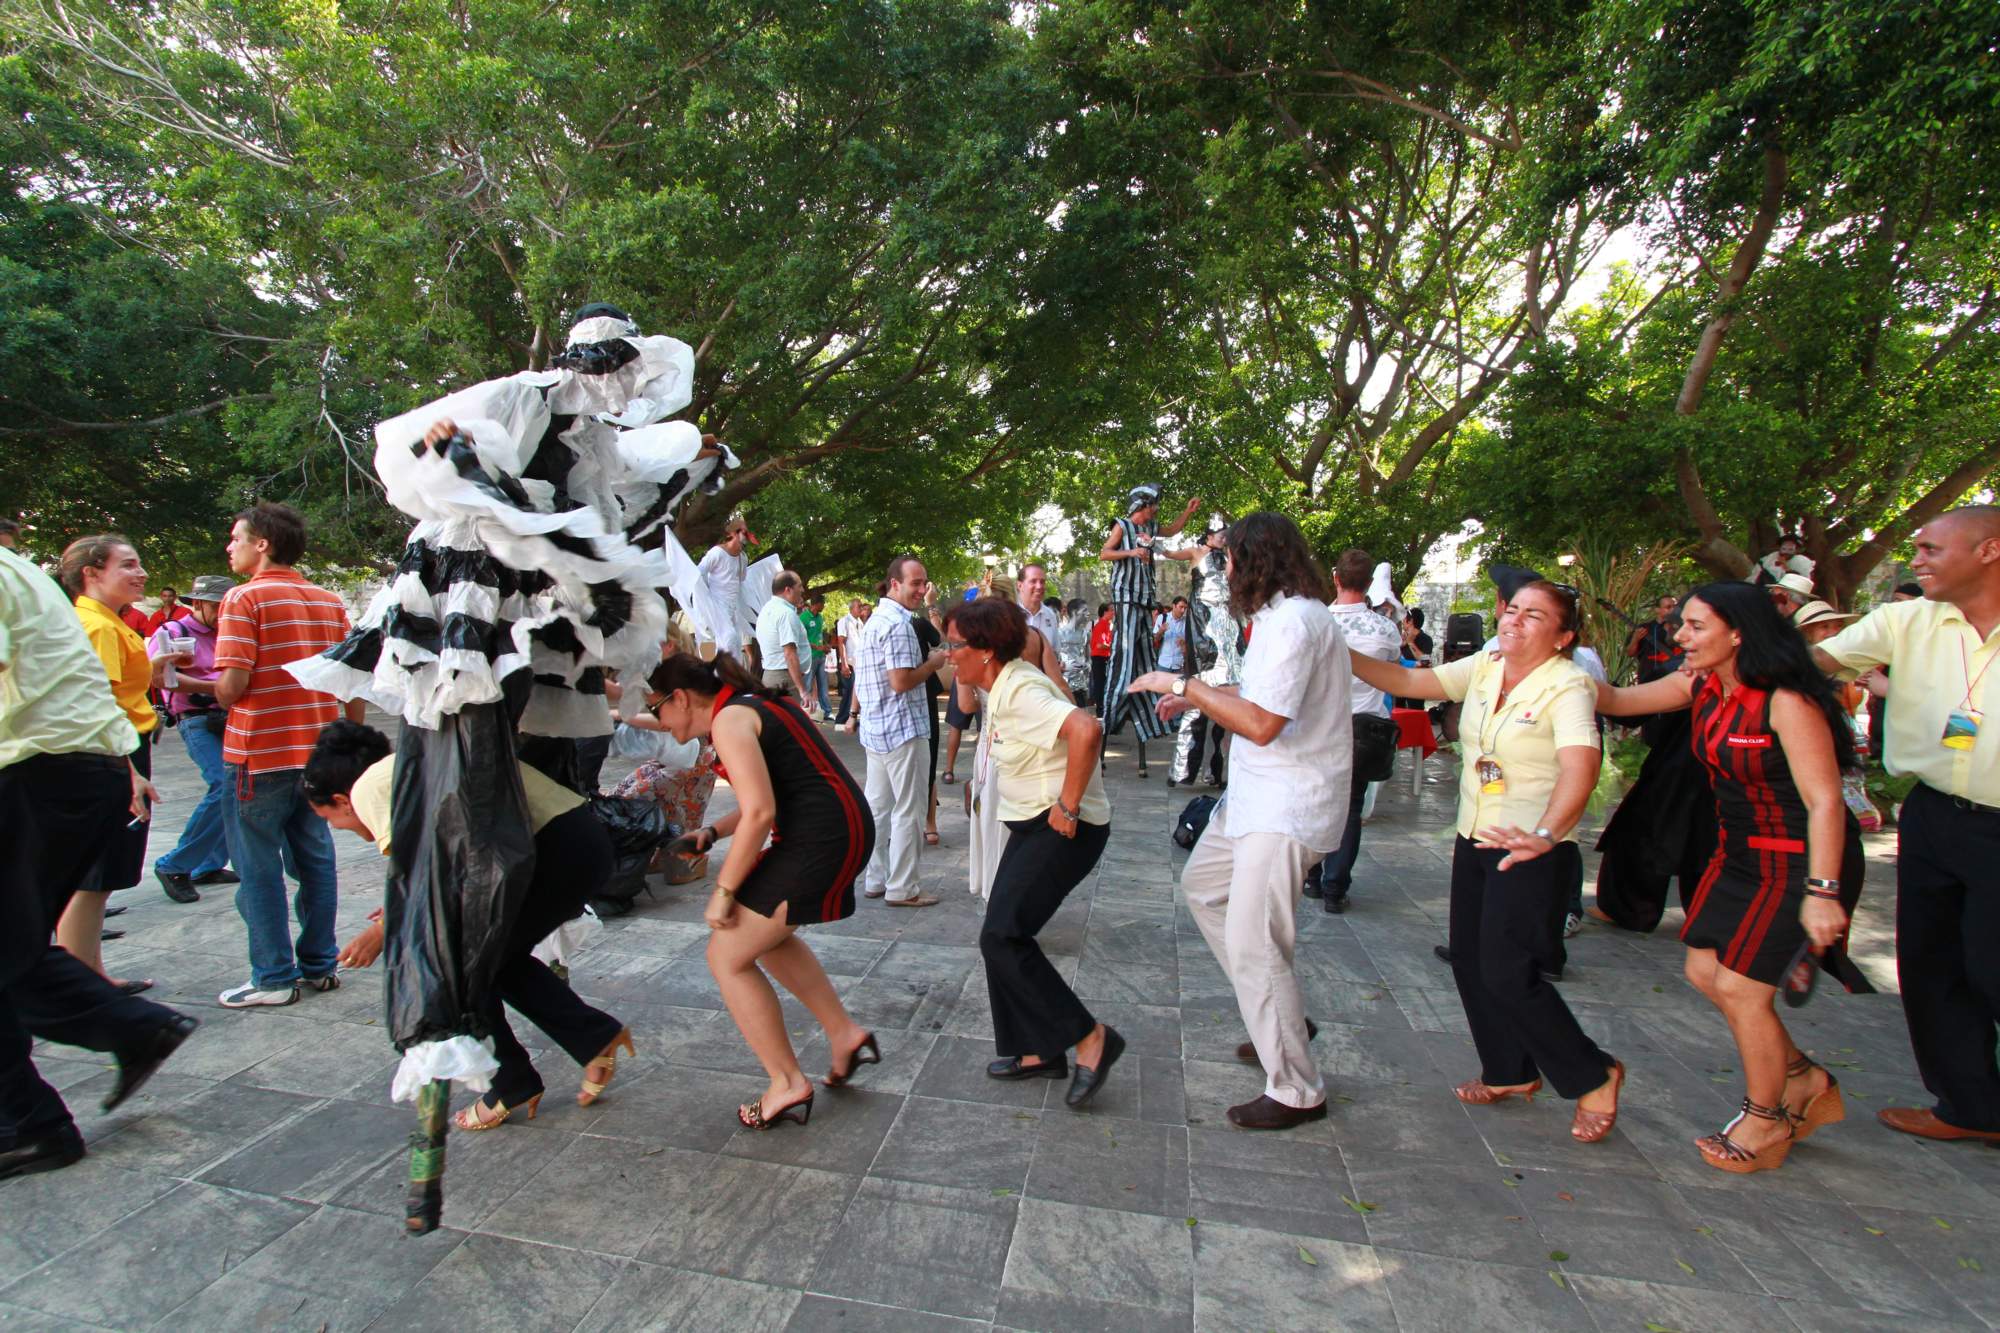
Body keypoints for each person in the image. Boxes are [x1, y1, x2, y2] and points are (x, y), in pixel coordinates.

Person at [1594, 583, 1860, 1170]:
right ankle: (1802, 1076)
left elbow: (1824, 803)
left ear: (1738, 632)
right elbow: (1615, 698)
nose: (1679, 635)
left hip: (1798, 860)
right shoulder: (1702, 685)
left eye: (1694, 626)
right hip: (1736, 854)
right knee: (1706, 970)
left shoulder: (1786, 701)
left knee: (1743, 989)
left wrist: (1823, 892)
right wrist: (1536, 660)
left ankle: (1766, 1122)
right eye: (1681, 624)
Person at [1350, 581, 1624, 1144]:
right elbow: (1406, 680)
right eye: (1513, 610)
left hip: (1530, 847)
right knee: (1472, 961)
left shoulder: (1568, 686)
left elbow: (1581, 766)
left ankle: (1593, 1072)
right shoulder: (1486, 664)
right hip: (1475, 834)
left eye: (1535, 617)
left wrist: (1547, 834)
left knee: (1508, 970)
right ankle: (1509, 1070)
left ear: (1563, 636)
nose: (1515, 622)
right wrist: (1331, 650)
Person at [1128, 513, 1349, 1130]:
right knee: (1204, 889)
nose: (1219, 569)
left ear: (1255, 559)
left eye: (1225, 557)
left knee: (1256, 941)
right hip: (1255, 799)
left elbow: (1260, 723)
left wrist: (1184, 684)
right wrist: (1197, 692)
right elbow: (1256, 698)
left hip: (1286, 806)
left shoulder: (1298, 622)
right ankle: (1279, 1016)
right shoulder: (1281, 618)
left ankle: (1298, 1088)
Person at [307, 722, 633, 1129]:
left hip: (554, 852)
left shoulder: (368, 787)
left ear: (342, 800)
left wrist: (381, 931)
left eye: (328, 818)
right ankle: (588, 1041)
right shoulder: (403, 765)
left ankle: (517, 1080)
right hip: (574, 842)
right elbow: (437, 865)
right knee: (495, 962)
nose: (337, 828)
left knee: (464, 968)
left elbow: (423, 875)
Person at [0, 542, 198, 1180]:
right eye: (128, 565)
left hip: (39, 772)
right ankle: (130, 1030)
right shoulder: (40, 586)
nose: (141, 575)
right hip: (70, 769)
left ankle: (33, 1122)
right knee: (13, 947)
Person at [1810, 505, 2000, 1145]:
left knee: (1992, 966)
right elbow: (1813, 666)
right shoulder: (1907, 619)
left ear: (1988, 551)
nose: (1915, 560)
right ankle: (1970, 1107)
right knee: (1932, 964)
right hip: (1934, 814)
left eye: (1930, 549)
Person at [643, 652, 880, 1128]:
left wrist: (724, 890)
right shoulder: (750, 704)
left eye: (657, 711)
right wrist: (712, 833)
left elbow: (760, 812)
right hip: (837, 828)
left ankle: (787, 1083)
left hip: (820, 839)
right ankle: (844, 1034)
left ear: (682, 699)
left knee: (725, 955)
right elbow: (772, 793)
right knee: (765, 937)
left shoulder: (731, 720)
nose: (658, 723)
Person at [943, 599, 1122, 1105]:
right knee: (998, 933)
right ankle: (1035, 1049)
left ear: (986, 650)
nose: (949, 654)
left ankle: (1090, 1039)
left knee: (1003, 936)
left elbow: (1086, 730)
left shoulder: (1019, 688)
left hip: (1064, 829)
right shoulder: (1000, 684)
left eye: (956, 645)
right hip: (1032, 825)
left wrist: (1067, 808)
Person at [211, 502, 361, 1008]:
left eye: (236, 538)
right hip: (316, 753)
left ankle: (273, 977)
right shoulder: (328, 601)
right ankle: (320, 966)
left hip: (260, 752)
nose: (229, 547)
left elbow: (232, 685)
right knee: (315, 860)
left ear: (262, 544)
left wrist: (211, 689)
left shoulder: (244, 599)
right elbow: (351, 682)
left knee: (257, 869)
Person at [54, 535, 187, 990]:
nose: (141, 573)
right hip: (114, 751)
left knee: (99, 876)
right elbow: (98, 703)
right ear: (91, 573)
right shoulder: (98, 626)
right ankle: (80, 984)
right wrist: (127, 772)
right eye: (127, 565)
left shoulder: (106, 623)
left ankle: (90, 975)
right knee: (94, 876)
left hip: (119, 748)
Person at [1305, 549, 1402, 914]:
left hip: (1322, 727)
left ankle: (1312, 876)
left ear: (1336, 578)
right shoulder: (1384, 628)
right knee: (1350, 808)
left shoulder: (1317, 623)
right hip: (1364, 727)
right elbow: (1393, 665)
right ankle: (1334, 886)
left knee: (1315, 803)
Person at [852, 555, 949, 906]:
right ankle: (903, 888)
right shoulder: (897, 624)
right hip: (902, 731)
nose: (921, 590)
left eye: (924, 583)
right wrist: (933, 663)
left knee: (878, 808)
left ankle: (876, 880)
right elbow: (901, 681)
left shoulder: (876, 620)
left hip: (878, 731)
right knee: (908, 810)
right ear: (895, 583)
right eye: (915, 583)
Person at [148, 575, 238, 904]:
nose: (224, 612)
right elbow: (162, 679)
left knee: (237, 785)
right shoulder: (172, 633)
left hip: (232, 716)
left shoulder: (230, 632)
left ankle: (209, 864)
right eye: (218, 606)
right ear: (198, 604)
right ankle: (175, 864)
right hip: (197, 718)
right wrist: (217, 688)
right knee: (223, 783)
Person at [1099, 484, 1200, 776]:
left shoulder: (1152, 526)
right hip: (1126, 598)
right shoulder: (1123, 526)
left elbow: (1172, 530)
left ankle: (1145, 709)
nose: (1156, 508)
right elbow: (1104, 553)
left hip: (1144, 600)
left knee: (1142, 658)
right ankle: (1114, 709)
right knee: (1126, 656)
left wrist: (1188, 512)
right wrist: (1130, 552)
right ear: (1142, 504)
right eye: (1153, 504)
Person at [1163, 520, 1240, 787]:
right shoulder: (1197, 553)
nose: (1224, 538)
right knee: (1197, 697)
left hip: (1228, 626)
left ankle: (1216, 772)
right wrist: (1153, 542)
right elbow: (1169, 553)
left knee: (1226, 702)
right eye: (1221, 534)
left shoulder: (1232, 557)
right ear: (1209, 535)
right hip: (1204, 626)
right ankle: (1182, 770)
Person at [753, 570, 813, 706]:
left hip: (771, 675)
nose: (802, 590)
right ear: (788, 590)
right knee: (790, 724)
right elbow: (790, 654)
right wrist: (802, 690)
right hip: (785, 680)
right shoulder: (786, 614)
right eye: (799, 586)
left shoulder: (766, 609)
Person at [696, 516, 752, 659]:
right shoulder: (717, 553)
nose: (746, 536)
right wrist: (706, 600)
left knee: (736, 643)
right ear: (733, 533)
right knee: (728, 639)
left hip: (732, 609)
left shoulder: (743, 558)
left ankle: (732, 678)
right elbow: (699, 572)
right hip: (716, 606)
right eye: (743, 532)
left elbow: (742, 579)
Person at [1626, 595, 1684, 683]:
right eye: (1668, 607)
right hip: (1648, 677)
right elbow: (1630, 653)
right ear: (1657, 610)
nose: (1673, 610)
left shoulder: (1682, 628)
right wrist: (1635, 639)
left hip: (1675, 677)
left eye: (1674, 606)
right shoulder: (1645, 628)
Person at [832, 598, 867, 727]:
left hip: (858, 661)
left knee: (856, 690)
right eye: (859, 606)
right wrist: (844, 664)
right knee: (849, 691)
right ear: (852, 608)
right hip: (849, 662)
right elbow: (841, 643)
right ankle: (841, 719)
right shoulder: (844, 621)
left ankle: (849, 717)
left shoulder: (860, 622)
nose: (861, 608)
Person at [800, 592, 832, 720]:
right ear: (817, 604)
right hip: (809, 656)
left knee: (823, 685)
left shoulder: (820, 618)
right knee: (807, 685)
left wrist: (825, 645)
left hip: (821, 656)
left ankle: (827, 712)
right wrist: (817, 647)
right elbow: (801, 639)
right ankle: (804, 712)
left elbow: (818, 635)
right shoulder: (803, 618)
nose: (824, 606)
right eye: (823, 604)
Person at [1017, 562, 1061, 648]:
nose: (1039, 586)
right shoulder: (1008, 614)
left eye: (1042, 582)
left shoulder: (1050, 615)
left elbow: (1056, 651)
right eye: (1033, 581)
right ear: (1019, 585)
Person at [1087, 602, 1114, 713]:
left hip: (1103, 657)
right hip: (1099, 658)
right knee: (1100, 683)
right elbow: (1099, 644)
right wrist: (1113, 646)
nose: (1113, 612)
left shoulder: (1107, 624)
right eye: (1111, 610)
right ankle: (1100, 708)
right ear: (1105, 612)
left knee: (1102, 683)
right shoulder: (1102, 625)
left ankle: (1102, 707)